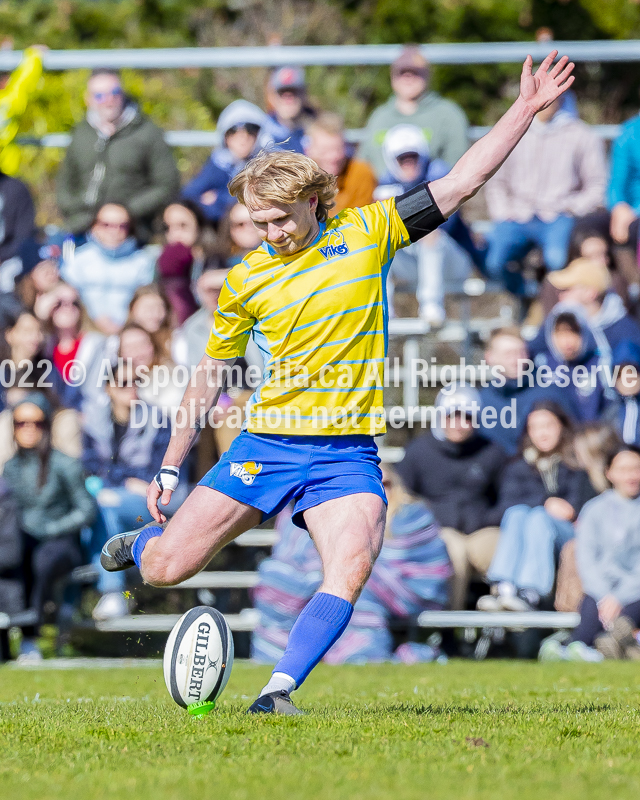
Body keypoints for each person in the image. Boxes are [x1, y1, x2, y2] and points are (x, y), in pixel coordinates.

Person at [99, 51, 575, 714]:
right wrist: (171, 467)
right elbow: (208, 376)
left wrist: (524, 109)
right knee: (164, 569)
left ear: (313, 202)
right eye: (257, 223)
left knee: (353, 561)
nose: (270, 234)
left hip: (346, 452)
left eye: (280, 219)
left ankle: (277, 692)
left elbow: (463, 180)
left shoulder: (369, 231)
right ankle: (141, 544)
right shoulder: (245, 280)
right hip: (266, 444)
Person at [252, 469, 451, 665]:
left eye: (386, 483)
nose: (379, 489)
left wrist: (352, 570)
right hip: (320, 579)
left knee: (356, 582)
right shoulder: (325, 512)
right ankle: (283, 656)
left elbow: (427, 572)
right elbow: (296, 552)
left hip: (394, 591)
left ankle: (359, 654)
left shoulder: (414, 516)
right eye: (369, 482)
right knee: (277, 576)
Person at [3, 394, 95, 661]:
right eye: (21, 423)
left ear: (47, 425)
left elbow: (86, 509)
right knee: (11, 558)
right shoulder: (10, 467)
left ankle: (32, 636)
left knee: (42, 561)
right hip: (25, 541)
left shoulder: (64, 463)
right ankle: (16, 633)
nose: (28, 428)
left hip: (62, 543)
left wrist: (53, 528)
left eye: (36, 422)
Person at [484, 96, 607, 296]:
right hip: (517, 214)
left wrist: (572, 206)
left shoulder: (581, 134)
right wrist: (503, 211)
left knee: (557, 260)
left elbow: (597, 184)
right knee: (494, 263)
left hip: (559, 215)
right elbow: (496, 180)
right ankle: (525, 296)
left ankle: (547, 306)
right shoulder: (512, 132)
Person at [82, 364, 177, 621]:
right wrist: (124, 479)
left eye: (135, 381)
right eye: (123, 383)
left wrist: (120, 480)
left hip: (149, 501)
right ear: (108, 388)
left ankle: (111, 591)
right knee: (101, 510)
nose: (131, 388)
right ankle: (112, 591)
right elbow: (89, 466)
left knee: (103, 507)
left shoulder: (157, 420)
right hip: (109, 497)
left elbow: (161, 469)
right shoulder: (94, 422)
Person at [396, 386, 504, 610]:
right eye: (452, 416)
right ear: (440, 417)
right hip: (436, 531)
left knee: (504, 547)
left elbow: (507, 498)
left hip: (481, 531)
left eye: (466, 417)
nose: (459, 423)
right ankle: (450, 628)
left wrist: (482, 518)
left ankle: (504, 629)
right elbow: (402, 498)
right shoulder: (419, 452)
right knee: (454, 550)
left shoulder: (492, 452)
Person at [478, 402, 593, 612]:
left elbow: (575, 507)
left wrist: (550, 508)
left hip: (567, 534)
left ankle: (531, 591)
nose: (542, 433)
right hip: (529, 526)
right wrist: (545, 502)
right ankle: (503, 586)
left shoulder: (576, 463)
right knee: (517, 513)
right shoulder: (518, 466)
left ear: (562, 426)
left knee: (539, 517)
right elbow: (505, 505)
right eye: (535, 427)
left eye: (548, 425)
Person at [56, 68, 179, 241]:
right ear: (88, 99)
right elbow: (65, 181)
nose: (108, 101)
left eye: (114, 93)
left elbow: (167, 184)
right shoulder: (81, 133)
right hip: (81, 225)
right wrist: (75, 209)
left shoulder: (147, 132)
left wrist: (126, 211)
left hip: (130, 230)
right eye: (99, 96)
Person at [542, 446, 640, 661]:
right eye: (624, 469)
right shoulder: (594, 509)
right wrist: (606, 596)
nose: (631, 475)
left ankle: (598, 649)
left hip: (634, 591)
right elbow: (586, 560)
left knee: (626, 617)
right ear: (609, 472)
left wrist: (618, 597)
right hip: (600, 591)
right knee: (590, 607)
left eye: (636, 468)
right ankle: (579, 647)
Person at [375, 124, 479, 326]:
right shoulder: (384, 184)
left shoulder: (441, 175)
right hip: (412, 264)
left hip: (453, 262)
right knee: (378, 240)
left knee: (431, 235)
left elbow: (447, 222)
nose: (409, 164)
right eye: (402, 159)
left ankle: (432, 307)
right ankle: (383, 309)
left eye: (413, 157)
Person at [358, 46, 468, 179]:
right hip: (384, 196)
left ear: (427, 74)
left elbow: (459, 168)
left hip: (431, 194)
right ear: (392, 75)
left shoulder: (448, 114)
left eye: (415, 72)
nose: (408, 76)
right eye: (402, 71)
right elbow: (363, 164)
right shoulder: (379, 116)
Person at [61, 203, 158, 335]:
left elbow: (146, 301)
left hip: (129, 333)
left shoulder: (143, 261)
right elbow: (67, 299)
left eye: (122, 226)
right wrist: (94, 320)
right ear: (94, 225)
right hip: (84, 332)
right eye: (107, 225)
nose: (114, 231)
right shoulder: (77, 260)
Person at [479, 326, 577, 455]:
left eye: (521, 353)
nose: (516, 360)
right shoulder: (481, 401)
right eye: (508, 354)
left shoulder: (550, 393)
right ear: (490, 357)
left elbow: (571, 436)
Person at [182, 100, 273, 225]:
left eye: (251, 130)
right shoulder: (218, 163)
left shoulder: (268, 164)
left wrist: (219, 198)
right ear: (225, 137)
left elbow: (263, 199)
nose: (243, 137)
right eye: (234, 131)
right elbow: (189, 196)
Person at [532, 256, 640, 353]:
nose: (559, 295)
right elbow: (530, 350)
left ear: (590, 293)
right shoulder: (557, 322)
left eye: (566, 289)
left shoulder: (625, 331)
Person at [33, 282, 106, 412]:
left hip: (88, 419)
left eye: (74, 303)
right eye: (59, 303)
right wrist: (40, 317)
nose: (68, 307)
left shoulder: (97, 344)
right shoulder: (42, 346)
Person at [532, 305, 612, 423]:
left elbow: (611, 408)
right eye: (560, 333)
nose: (567, 341)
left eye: (573, 332)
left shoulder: (600, 364)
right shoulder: (541, 366)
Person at [303, 113, 377, 215]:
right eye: (325, 150)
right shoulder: (301, 180)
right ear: (309, 150)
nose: (333, 157)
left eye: (338, 149)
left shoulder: (360, 173)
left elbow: (362, 220)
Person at [266, 67, 316, 154]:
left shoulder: (318, 132)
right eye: (282, 93)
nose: (289, 99)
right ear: (272, 97)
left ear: (304, 94)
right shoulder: (259, 133)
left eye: (294, 92)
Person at [0, 171, 35, 292]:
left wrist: (3, 257)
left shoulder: (16, 189)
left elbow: (24, 235)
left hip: (9, 259)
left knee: (8, 277)